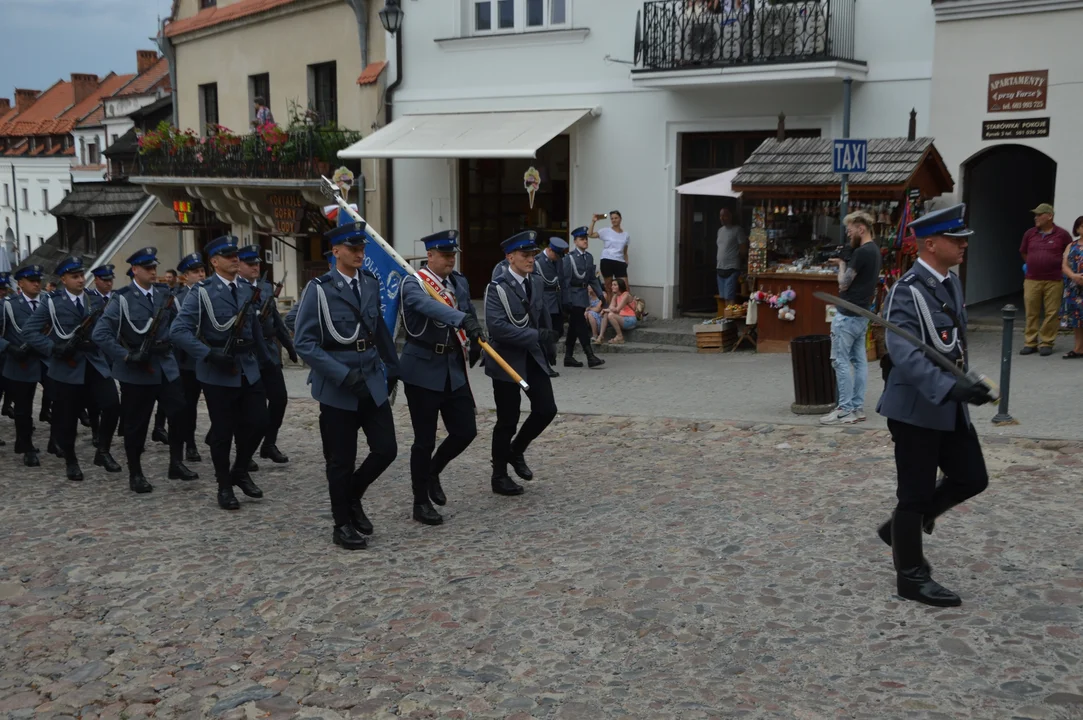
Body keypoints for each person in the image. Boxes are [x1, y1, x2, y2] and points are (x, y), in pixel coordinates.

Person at [875, 203, 996, 608]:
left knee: (972, 477)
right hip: (917, 408)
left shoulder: (950, 284)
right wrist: (949, 388)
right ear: (930, 244)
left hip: (948, 404)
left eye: (963, 239)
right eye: (955, 239)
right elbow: (905, 354)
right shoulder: (906, 290)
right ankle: (910, 576)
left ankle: (898, 529)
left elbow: (952, 345)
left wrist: (968, 382)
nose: (963, 246)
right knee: (915, 494)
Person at [294, 222, 399, 549]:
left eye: (361, 248)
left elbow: (377, 326)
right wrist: (342, 374)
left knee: (386, 449)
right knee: (341, 460)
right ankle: (342, 523)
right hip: (338, 386)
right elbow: (304, 343)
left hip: (370, 377)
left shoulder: (368, 282)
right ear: (335, 251)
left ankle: (352, 495)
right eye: (352, 248)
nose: (358, 254)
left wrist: (392, 365)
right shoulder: (319, 289)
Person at [170, 235, 274, 511]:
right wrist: (207, 354)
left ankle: (239, 469)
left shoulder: (246, 289)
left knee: (260, 422)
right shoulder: (201, 291)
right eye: (228, 256)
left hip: (248, 366)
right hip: (217, 370)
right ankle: (224, 485)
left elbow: (254, 329)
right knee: (223, 432)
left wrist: (267, 362)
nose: (235, 259)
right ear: (214, 261)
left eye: (236, 254)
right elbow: (178, 331)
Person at [92, 247, 198, 493]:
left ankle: (176, 462)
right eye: (148, 268)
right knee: (136, 425)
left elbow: (178, 323)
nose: (153, 271)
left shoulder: (164, 294)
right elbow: (100, 334)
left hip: (166, 366)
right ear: (135, 270)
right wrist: (126, 355)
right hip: (137, 370)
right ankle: (136, 472)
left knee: (180, 414)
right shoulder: (122, 298)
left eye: (154, 267)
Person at [400, 230, 486, 526]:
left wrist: (475, 335)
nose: (450, 260)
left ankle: (434, 470)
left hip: (453, 365)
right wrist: (461, 319)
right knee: (424, 440)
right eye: (445, 255)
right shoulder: (414, 284)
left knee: (465, 431)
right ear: (430, 256)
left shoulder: (457, 282)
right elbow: (430, 307)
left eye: (453, 255)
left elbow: (466, 309)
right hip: (422, 369)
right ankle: (420, 501)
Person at [23, 256, 122, 481]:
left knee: (112, 405)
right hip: (67, 367)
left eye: (81, 276)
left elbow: (108, 329)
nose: (80, 280)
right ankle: (71, 460)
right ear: (63, 279)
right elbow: (29, 331)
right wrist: (53, 348)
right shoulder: (52, 302)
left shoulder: (94, 301)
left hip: (94, 363)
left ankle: (103, 450)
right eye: (75, 276)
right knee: (67, 417)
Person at [485, 231, 559, 496]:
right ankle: (499, 475)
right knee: (508, 418)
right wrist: (535, 336)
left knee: (546, 409)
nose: (531, 259)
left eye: (533, 255)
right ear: (510, 257)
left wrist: (549, 345)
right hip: (506, 360)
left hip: (532, 357)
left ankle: (515, 451)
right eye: (526, 255)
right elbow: (498, 327)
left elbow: (542, 316)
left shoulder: (535, 282)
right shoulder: (498, 287)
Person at [236, 244, 297, 464]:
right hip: (250, 354)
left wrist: (289, 346)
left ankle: (269, 443)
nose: (255, 267)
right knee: (252, 409)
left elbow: (276, 321)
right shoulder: (236, 289)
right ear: (239, 265)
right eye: (250, 264)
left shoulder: (266, 288)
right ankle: (245, 450)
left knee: (279, 399)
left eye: (257, 263)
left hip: (269, 352)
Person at [820, 211, 882, 425]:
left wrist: (841, 264)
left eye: (850, 230)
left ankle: (845, 408)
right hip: (862, 313)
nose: (848, 235)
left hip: (847, 314)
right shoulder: (875, 250)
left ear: (861, 228)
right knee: (860, 361)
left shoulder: (862, 253)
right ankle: (857, 408)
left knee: (840, 360)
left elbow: (843, 284)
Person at [0, 264, 47, 466]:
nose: (37, 284)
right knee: (23, 409)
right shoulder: (8, 304)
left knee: (63, 402)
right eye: (31, 280)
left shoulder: (48, 301)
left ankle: (57, 441)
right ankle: (26, 445)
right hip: (21, 361)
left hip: (46, 360)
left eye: (38, 280)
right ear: (20, 284)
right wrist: (9, 348)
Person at [1020, 203, 1073, 356]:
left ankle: (1046, 342)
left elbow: (1068, 253)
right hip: (1032, 279)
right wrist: (1033, 263)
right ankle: (1030, 342)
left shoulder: (1062, 234)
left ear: (1049, 216)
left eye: (1039, 214)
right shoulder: (1029, 234)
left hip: (1054, 279)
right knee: (1031, 311)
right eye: (1035, 215)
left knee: (1052, 312)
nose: (1036, 217)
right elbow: (1023, 252)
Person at [173, 252, 205, 462]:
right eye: (195, 272)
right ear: (186, 276)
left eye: (202, 271)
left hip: (211, 359)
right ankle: (190, 443)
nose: (201, 275)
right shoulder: (178, 300)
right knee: (189, 405)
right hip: (188, 362)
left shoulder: (212, 293)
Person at [563, 227, 606, 369]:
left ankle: (568, 356)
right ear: (575, 241)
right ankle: (590, 356)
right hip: (573, 296)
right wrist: (566, 299)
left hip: (582, 295)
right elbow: (566, 281)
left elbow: (592, 279)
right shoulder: (569, 258)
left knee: (574, 327)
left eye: (586, 239)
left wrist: (600, 294)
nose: (585, 241)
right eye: (582, 239)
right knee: (580, 324)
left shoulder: (589, 257)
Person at [534, 237, 569, 378]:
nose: (558, 258)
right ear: (549, 250)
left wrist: (566, 300)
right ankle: (545, 364)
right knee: (545, 334)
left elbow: (562, 280)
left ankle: (549, 352)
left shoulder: (558, 261)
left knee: (558, 331)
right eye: (556, 254)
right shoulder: (537, 261)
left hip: (556, 301)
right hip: (544, 302)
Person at [1059, 216, 1083, 359]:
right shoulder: (1071, 246)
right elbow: (1064, 265)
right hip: (1074, 287)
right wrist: (1073, 276)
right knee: (1077, 320)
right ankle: (1078, 348)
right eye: (1081, 226)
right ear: (1077, 228)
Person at [590, 211, 630, 293]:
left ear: (620, 219)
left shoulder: (626, 235)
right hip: (607, 260)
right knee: (609, 287)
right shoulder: (606, 231)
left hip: (619, 261)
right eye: (612, 218)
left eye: (616, 218)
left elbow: (625, 251)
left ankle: (625, 305)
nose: (614, 220)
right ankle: (610, 305)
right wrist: (593, 221)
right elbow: (590, 234)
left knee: (624, 287)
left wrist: (626, 261)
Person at [715, 208, 747, 304]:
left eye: (724, 215)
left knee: (730, 296)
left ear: (730, 217)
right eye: (720, 216)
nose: (722, 218)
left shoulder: (737, 230)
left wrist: (740, 260)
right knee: (724, 296)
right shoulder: (720, 231)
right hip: (720, 267)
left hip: (732, 267)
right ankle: (726, 317)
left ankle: (730, 317)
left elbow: (743, 249)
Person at [597, 278, 637, 344]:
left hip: (630, 320)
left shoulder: (626, 295)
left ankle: (620, 336)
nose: (612, 286)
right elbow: (611, 307)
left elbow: (617, 309)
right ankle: (600, 337)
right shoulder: (615, 295)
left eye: (615, 285)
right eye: (612, 285)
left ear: (620, 286)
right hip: (621, 318)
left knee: (610, 315)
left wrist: (605, 309)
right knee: (606, 314)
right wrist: (608, 310)